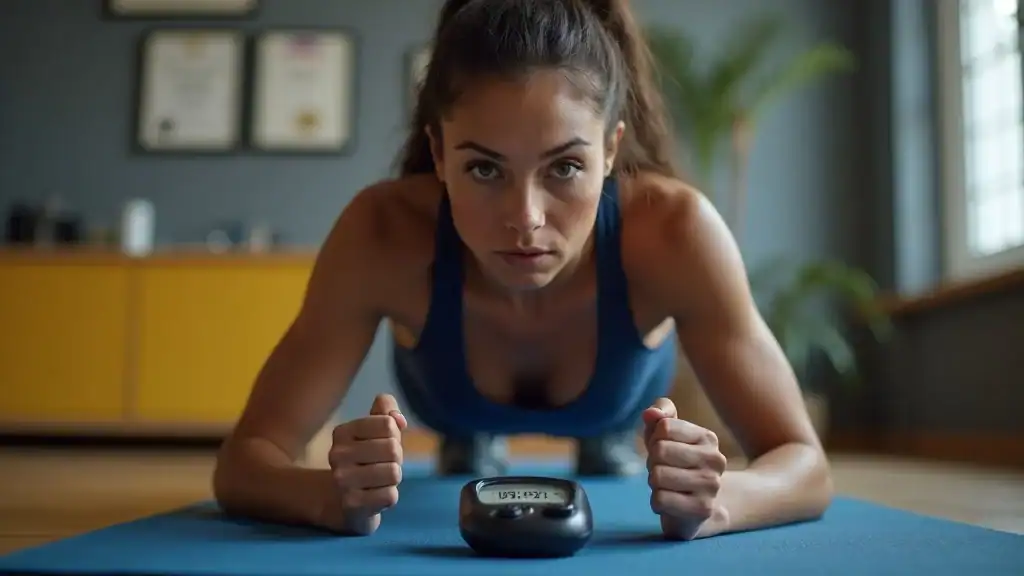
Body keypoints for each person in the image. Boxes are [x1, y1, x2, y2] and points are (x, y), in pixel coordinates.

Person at [212, 0, 833, 541]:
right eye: (485, 169)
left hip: (616, 415)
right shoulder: (382, 233)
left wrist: (717, 500)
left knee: (609, 455)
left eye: (564, 167)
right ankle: (472, 442)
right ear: (439, 153)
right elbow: (245, 462)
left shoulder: (676, 231)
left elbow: (804, 462)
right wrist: (333, 497)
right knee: (467, 456)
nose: (526, 219)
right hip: (452, 413)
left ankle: (602, 443)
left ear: (610, 150)